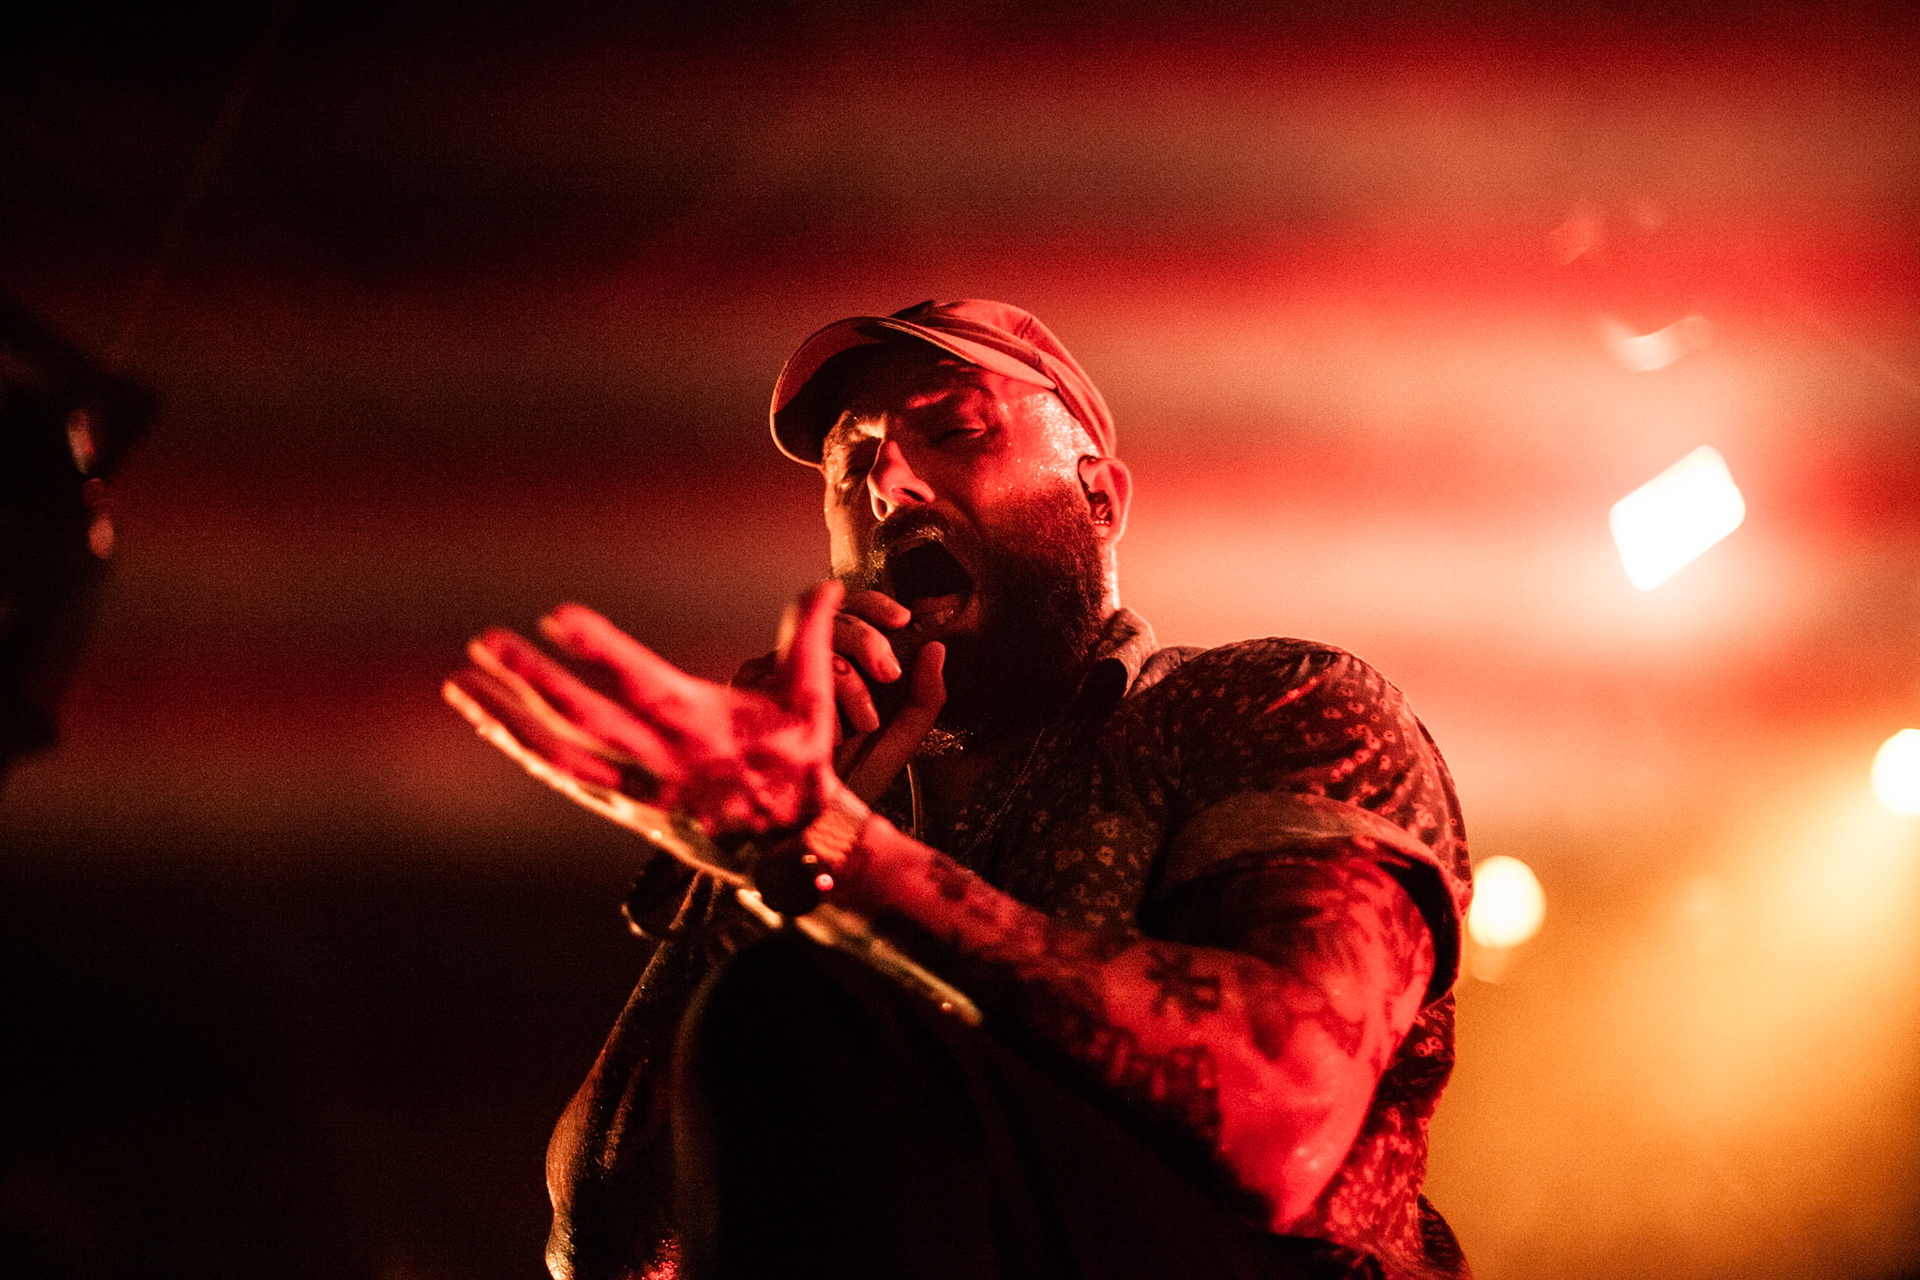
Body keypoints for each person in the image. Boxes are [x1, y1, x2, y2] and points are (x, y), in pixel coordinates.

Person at [446, 300, 1473, 1280]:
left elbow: (1286, 1117)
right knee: (770, 1002)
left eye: (954, 431)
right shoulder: (835, 806)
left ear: (1101, 497)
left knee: (799, 1007)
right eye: (851, 466)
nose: (889, 482)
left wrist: (832, 850)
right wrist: (744, 872)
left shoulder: (1269, 702)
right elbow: (608, 1250)